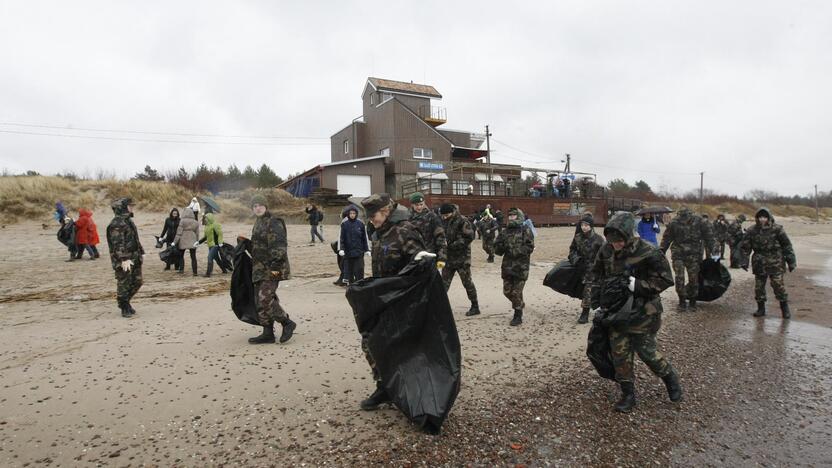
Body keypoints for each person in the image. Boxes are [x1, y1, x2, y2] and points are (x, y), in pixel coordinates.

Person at [592, 211, 681, 413]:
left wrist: (638, 285)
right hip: (615, 312)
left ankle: (670, 378)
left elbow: (666, 279)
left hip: (643, 313)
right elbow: (596, 275)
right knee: (620, 354)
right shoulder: (606, 250)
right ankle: (628, 394)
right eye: (612, 241)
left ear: (628, 235)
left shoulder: (648, 251)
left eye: (619, 241)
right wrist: (596, 301)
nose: (616, 245)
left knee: (647, 353)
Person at [358, 193, 426, 410]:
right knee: (371, 341)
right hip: (383, 299)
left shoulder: (406, 231)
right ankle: (385, 386)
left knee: (403, 348)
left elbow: (420, 267)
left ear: (386, 212)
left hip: (403, 301)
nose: (371, 220)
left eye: (374, 215)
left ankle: (414, 392)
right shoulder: (381, 232)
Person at [246, 194, 297, 344]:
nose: (258, 208)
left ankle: (287, 323)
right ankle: (267, 332)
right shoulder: (258, 222)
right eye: (255, 206)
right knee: (259, 299)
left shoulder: (274, 221)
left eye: (260, 205)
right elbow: (259, 247)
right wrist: (246, 244)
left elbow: (279, 245)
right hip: (259, 268)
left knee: (265, 298)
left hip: (273, 267)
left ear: (266, 206)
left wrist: (275, 268)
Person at [740, 207, 796, 319]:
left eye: (764, 217)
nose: (762, 219)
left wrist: (791, 261)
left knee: (778, 286)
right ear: (757, 218)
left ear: (768, 217)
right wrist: (744, 261)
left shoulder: (777, 229)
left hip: (776, 261)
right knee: (759, 287)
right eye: (760, 217)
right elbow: (745, 247)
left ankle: (784, 308)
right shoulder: (752, 230)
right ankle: (761, 308)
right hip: (759, 262)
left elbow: (787, 246)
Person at [659, 207, 717, 310]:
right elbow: (667, 238)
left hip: (694, 255)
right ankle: (681, 301)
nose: (684, 219)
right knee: (679, 277)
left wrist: (715, 253)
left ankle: (692, 301)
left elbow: (710, 238)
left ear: (691, 215)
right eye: (682, 217)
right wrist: (661, 252)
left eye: (686, 217)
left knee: (693, 278)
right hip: (678, 254)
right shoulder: (674, 223)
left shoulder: (700, 222)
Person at [494, 207, 535, 326]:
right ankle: (520, 304)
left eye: (514, 216)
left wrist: (516, 251)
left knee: (516, 292)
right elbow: (497, 247)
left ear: (519, 216)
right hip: (507, 266)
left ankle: (518, 315)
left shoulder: (525, 229)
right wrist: (500, 247)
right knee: (507, 292)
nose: (511, 218)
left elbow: (530, 246)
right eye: (510, 216)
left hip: (521, 267)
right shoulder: (505, 231)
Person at [106, 198, 144, 318]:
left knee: (137, 281)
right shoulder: (117, 223)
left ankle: (126, 302)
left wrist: (140, 251)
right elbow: (118, 244)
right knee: (124, 282)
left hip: (134, 256)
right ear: (122, 207)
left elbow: (134, 239)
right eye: (129, 206)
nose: (131, 208)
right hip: (123, 259)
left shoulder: (128, 221)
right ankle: (124, 306)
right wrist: (123, 258)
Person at [439, 203, 479, 316]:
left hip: (462, 259)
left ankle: (475, 306)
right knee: (443, 285)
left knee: (467, 283)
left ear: (452, 212)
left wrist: (451, 245)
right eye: (443, 215)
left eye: (446, 215)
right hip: (448, 259)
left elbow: (469, 237)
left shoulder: (463, 221)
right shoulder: (443, 221)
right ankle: (439, 306)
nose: (444, 217)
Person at [569, 214, 604, 323]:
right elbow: (572, 250)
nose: (584, 227)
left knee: (588, 291)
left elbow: (604, 255)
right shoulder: (578, 237)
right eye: (582, 224)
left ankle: (585, 313)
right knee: (583, 290)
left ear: (591, 226)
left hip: (593, 270)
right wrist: (576, 259)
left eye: (587, 225)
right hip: (581, 268)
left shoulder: (599, 239)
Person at [408, 192, 447, 265]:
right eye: (416, 205)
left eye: (421, 204)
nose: (419, 207)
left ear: (424, 203)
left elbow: (440, 237)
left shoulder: (432, 217)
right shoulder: (407, 217)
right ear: (412, 205)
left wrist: (442, 258)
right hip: (412, 257)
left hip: (429, 256)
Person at [338, 205, 370, 285]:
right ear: (348, 214)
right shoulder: (344, 224)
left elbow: (364, 238)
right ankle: (351, 286)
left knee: (359, 269)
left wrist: (367, 249)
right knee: (349, 271)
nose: (352, 215)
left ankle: (360, 284)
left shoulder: (360, 224)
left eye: (354, 213)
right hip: (348, 253)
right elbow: (341, 238)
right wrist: (341, 249)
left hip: (359, 252)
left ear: (356, 214)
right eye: (351, 213)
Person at [197, 213, 227, 277]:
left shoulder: (215, 225)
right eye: (204, 218)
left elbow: (220, 234)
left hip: (215, 245)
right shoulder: (207, 226)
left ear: (209, 218)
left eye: (206, 218)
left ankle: (208, 273)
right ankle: (224, 270)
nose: (205, 219)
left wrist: (220, 242)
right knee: (217, 259)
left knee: (209, 257)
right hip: (210, 245)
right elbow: (205, 237)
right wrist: (198, 242)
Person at [174, 207, 200, 276]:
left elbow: (179, 233)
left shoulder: (182, 221)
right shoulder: (195, 222)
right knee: (193, 257)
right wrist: (197, 241)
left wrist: (175, 241)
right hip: (193, 239)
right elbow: (197, 233)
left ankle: (181, 269)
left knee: (181, 256)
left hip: (183, 239)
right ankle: (195, 272)